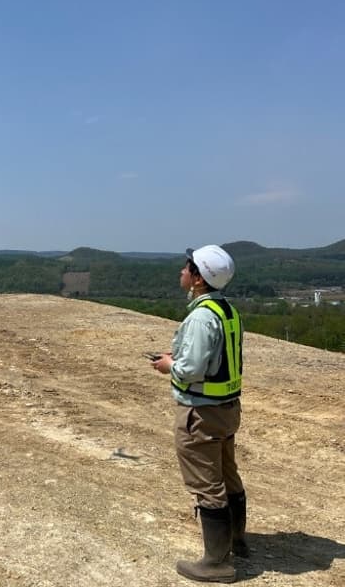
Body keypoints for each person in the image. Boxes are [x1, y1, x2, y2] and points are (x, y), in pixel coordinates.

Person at [149, 245, 248, 583]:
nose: (182, 271)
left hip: (201, 414)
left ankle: (216, 563)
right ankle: (237, 540)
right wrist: (179, 353)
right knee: (227, 474)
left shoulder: (201, 317)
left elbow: (191, 369)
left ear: (199, 279)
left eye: (187, 267)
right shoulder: (227, 311)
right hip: (226, 410)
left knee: (207, 484)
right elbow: (215, 358)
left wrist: (169, 365)